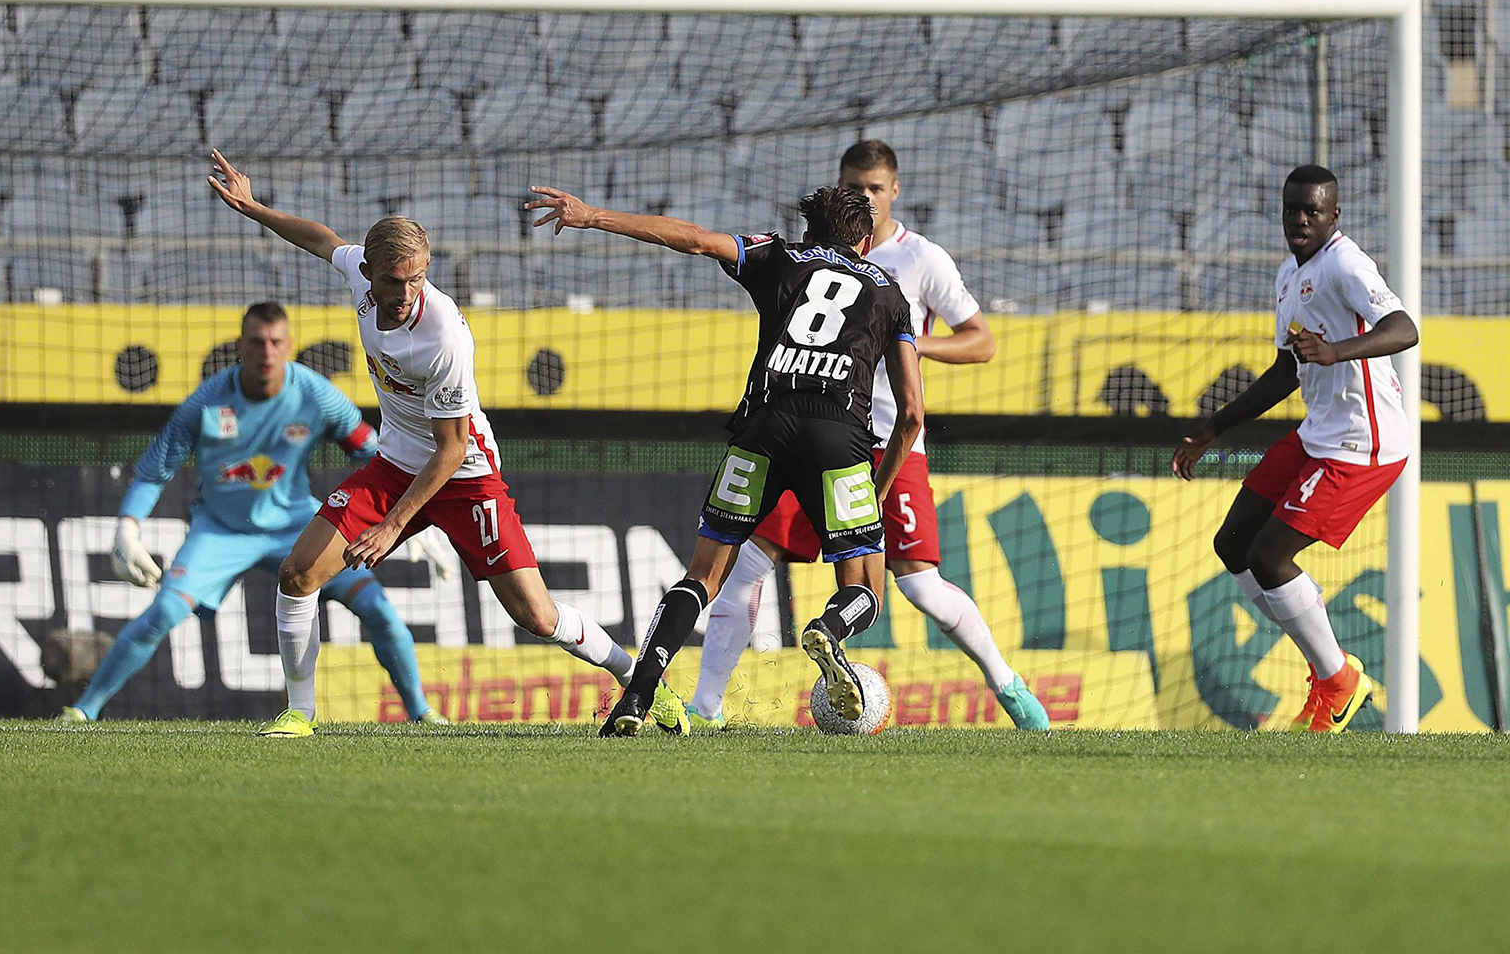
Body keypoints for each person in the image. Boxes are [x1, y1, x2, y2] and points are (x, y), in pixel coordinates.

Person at [206, 150, 667, 737]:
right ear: (368, 270)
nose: (405, 293)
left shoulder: (442, 333)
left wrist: (394, 526)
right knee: (297, 575)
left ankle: (642, 681)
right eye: (395, 280)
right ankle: (300, 714)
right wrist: (254, 208)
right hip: (397, 462)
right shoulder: (361, 277)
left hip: (464, 472)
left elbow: (450, 450)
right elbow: (320, 238)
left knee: (537, 615)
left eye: (417, 279)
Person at [526, 183, 923, 737]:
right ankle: (830, 631)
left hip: (762, 428)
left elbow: (693, 240)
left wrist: (592, 216)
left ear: (811, 233)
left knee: (702, 578)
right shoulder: (890, 292)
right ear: (865, 241)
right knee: (864, 590)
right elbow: (911, 416)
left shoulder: (781, 254)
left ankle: (638, 695)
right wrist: (876, 490)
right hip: (839, 440)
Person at [687, 141, 1048, 731]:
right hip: (818, 433)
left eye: (877, 189)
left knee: (920, 585)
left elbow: (981, 341)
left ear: (895, 190)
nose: (868, 199)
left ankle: (1007, 685)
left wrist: (902, 342)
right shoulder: (814, 256)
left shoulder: (923, 260)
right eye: (857, 188)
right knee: (751, 561)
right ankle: (707, 709)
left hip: (890, 443)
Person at [59, 302, 444, 725]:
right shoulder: (205, 404)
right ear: (240, 346)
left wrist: (406, 516)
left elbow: (375, 452)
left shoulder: (316, 395)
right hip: (221, 531)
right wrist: (127, 531)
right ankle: (83, 711)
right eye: (257, 342)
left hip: (301, 526)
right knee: (163, 613)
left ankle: (421, 713)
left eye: (276, 342)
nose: (267, 352)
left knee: (378, 610)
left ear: (289, 346)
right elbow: (154, 471)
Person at [1173, 164, 1416, 732]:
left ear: (1335, 214)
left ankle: (1338, 682)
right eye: (1292, 210)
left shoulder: (1345, 263)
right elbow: (1288, 367)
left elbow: (1405, 327)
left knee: (1270, 558)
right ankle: (1331, 673)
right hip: (1317, 433)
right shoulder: (1289, 273)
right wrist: (1217, 427)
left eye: (1313, 210)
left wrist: (1338, 352)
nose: (1301, 220)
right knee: (1233, 543)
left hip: (1363, 443)